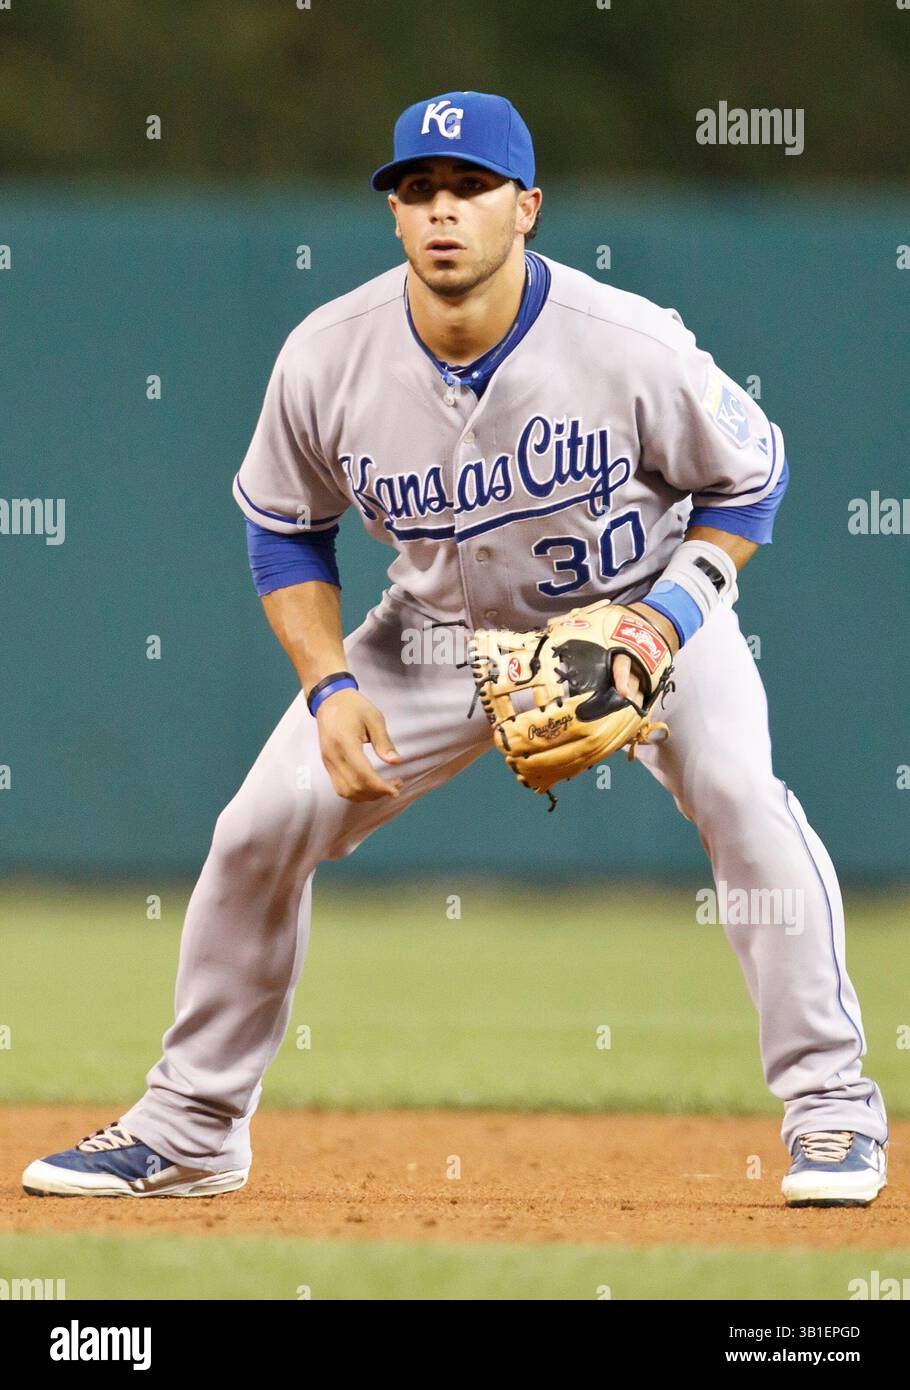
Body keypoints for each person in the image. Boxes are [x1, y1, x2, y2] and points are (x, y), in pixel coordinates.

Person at [23, 91, 887, 1208]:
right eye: (417, 191)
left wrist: (663, 621)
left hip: (635, 612)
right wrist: (329, 684)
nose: (441, 213)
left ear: (525, 207)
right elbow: (283, 525)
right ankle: (192, 1127)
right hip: (433, 636)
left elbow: (750, 477)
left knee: (739, 794)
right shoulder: (326, 355)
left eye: (469, 189)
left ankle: (831, 1113)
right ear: (392, 216)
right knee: (257, 829)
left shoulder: (627, 342)